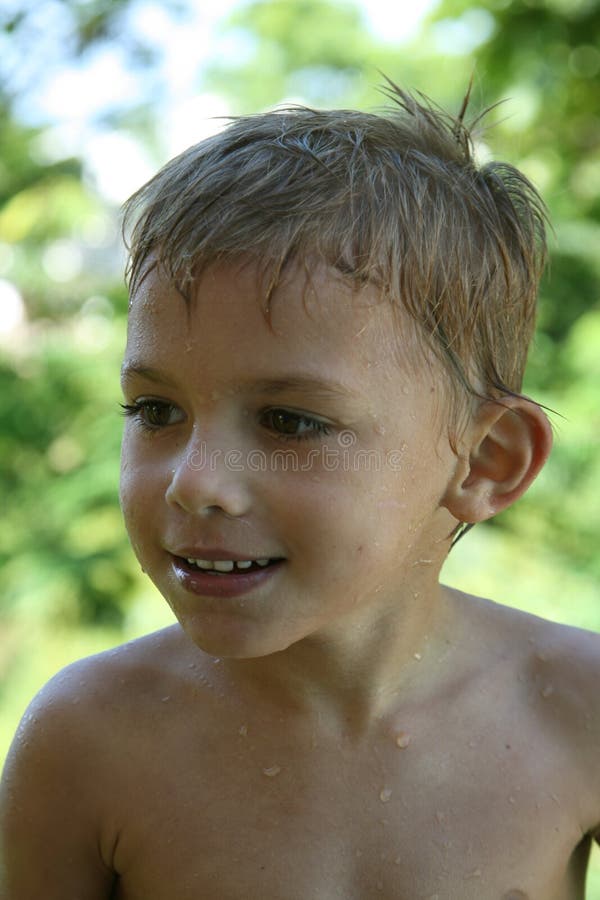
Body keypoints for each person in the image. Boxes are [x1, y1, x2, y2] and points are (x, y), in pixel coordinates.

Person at [1, 79, 599, 900]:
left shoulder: (576, 711)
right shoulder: (89, 743)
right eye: (156, 409)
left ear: (486, 460)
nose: (194, 483)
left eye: (290, 422)